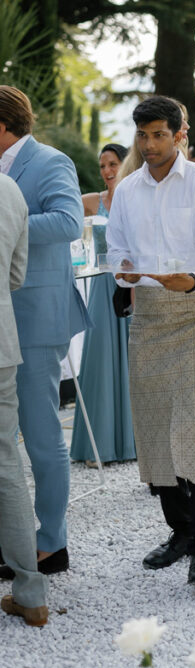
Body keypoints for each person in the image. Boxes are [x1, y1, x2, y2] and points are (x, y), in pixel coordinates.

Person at [106, 95, 195, 585]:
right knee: (156, 428)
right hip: (150, 314)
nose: (150, 144)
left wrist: (193, 280)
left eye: (159, 134)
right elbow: (116, 250)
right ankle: (178, 531)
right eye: (143, 135)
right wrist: (125, 272)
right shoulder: (128, 190)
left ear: (180, 134)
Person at [0, 86, 89, 578]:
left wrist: (5, 222)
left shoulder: (50, 161)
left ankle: (51, 542)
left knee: (40, 435)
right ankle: (13, 539)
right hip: (2, 317)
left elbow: (68, 222)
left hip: (36, 316)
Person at [0, 173, 48, 627]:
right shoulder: (11, 189)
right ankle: (30, 593)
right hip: (1, 345)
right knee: (7, 464)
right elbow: (16, 274)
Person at [70, 144, 136, 465]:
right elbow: (62, 213)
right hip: (100, 284)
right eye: (103, 166)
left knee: (133, 359)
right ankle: (100, 445)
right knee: (99, 358)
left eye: (113, 164)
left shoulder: (138, 197)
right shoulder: (92, 201)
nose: (108, 171)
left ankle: (135, 444)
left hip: (133, 284)